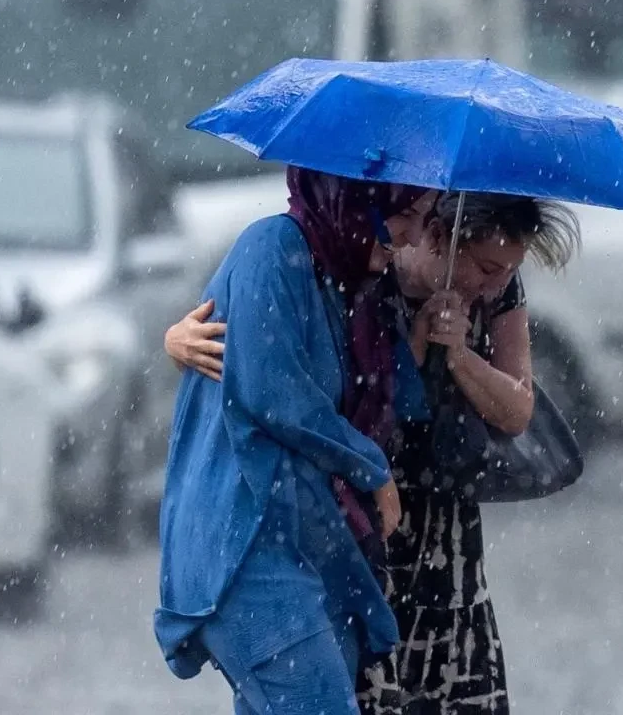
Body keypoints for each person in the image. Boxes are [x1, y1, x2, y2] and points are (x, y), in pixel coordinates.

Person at [165, 191, 580, 714]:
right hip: (359, 517)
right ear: (439, 237)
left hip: (440, 524)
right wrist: (176, 343)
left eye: (506, 271)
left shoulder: (493, 291)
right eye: (486, 267)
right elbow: (280, 370)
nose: (493, 283)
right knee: (351, 694)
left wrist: (461, 357)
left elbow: (517, 411)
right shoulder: (364, 261)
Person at [155, 164, 439, 715]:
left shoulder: (348, 282)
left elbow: (402, 399)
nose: (411, 236)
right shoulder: (272, 248)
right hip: (247, 552)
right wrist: (370, 467)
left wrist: (436, 323)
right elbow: (273, 391)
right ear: (359, 200)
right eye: (405, 215)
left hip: (309, 549)